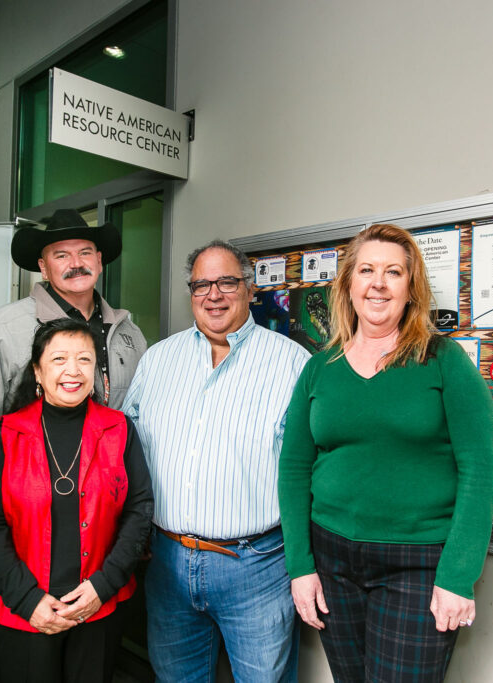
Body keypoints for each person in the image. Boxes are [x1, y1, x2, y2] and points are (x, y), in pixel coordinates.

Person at [279, 224, 493, 682]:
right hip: (332, 558)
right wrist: (300, 567)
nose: (378, 283)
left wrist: (459, 575)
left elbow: (479, 470)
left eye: (393, 272)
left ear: (410, 289)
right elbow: (295, 467)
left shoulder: (443, 361)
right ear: (349, 285)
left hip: (417, 564)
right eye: (366, 270)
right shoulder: (321, 367)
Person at [122, 240, 310, 682]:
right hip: (166, 562)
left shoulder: (291, 364)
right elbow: (127, 451)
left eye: (226, 282)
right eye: (201, 284)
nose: (214, 294)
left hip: (257, 568)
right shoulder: (158, 360)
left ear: (248, 289)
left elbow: (311, 469)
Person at [0, 209, 146, 564]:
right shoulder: (4, 327)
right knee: (34, 606)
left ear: (100, 261)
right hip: (32, 508)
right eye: (61, 255)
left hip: (109, 509)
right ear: (43, 267)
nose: (76, 263)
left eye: (85, 252)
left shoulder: (129, 333)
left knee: (109, 605)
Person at [0, 318, 153, 683]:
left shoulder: (119, 430)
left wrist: (103, 587)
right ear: (37, 371)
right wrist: (27, 600)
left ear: (97, 372)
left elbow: (139, 510)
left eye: (84, 360)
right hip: (25, 610)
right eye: (58, 360)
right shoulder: (6, 434)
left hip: (97, 607)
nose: (73, 371)